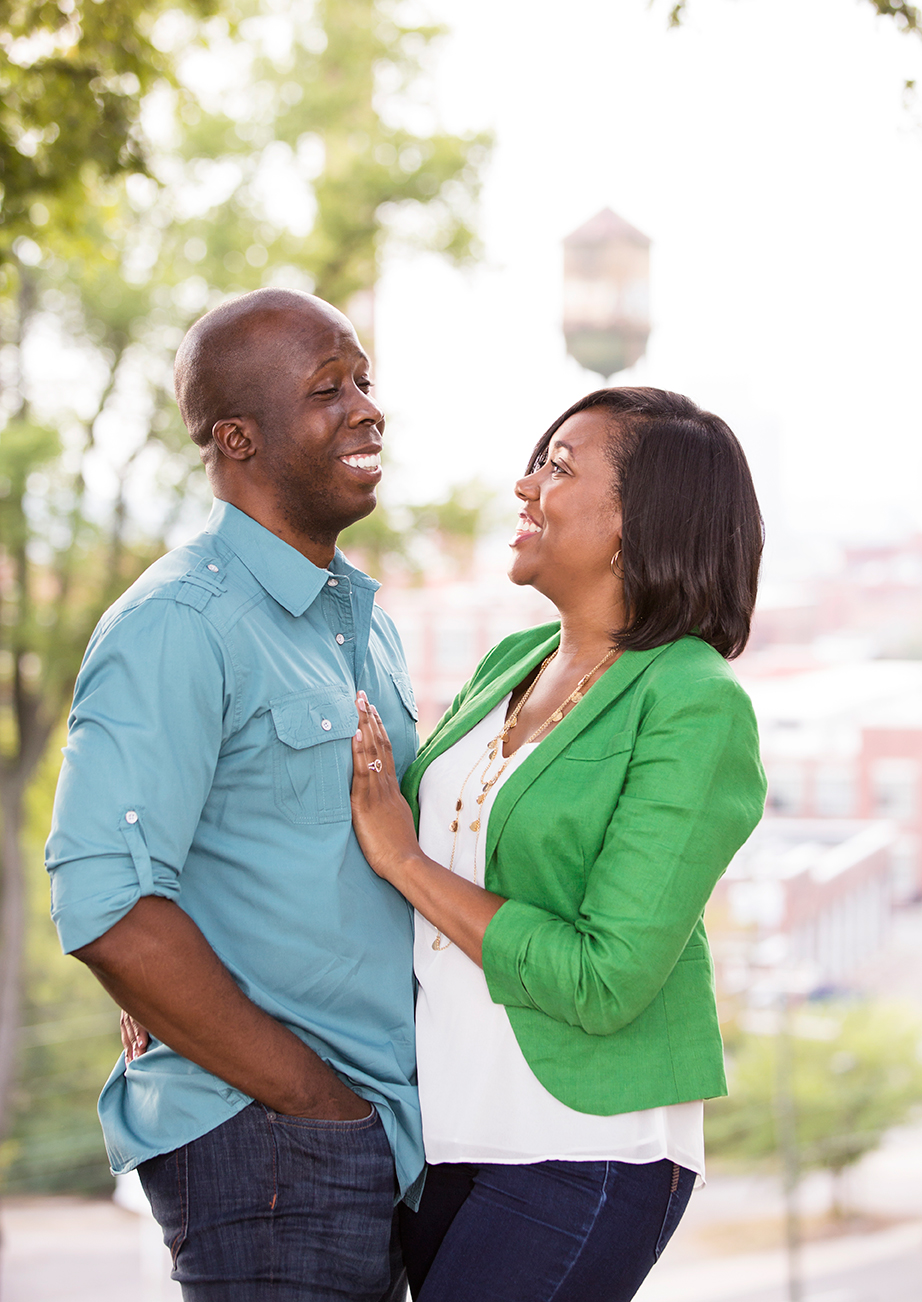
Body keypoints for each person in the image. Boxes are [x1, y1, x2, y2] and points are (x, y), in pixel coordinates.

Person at [45, 288, 424, 1302]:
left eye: (363, 380)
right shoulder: (177, 621)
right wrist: (315, 1102)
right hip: (269, 1146)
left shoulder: (364, 627)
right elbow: (107, 904)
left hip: (377, 1139)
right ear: (238, 439)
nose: (367, 408)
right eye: (328, 389)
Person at [348, 386, 767, 1302]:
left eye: (560, 467)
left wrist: (406, 861)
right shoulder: (514, 660)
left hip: (587, 1145)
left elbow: (605, 976)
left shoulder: (695, 701)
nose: (525, 485)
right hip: (442, 1127)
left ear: (638, 521)